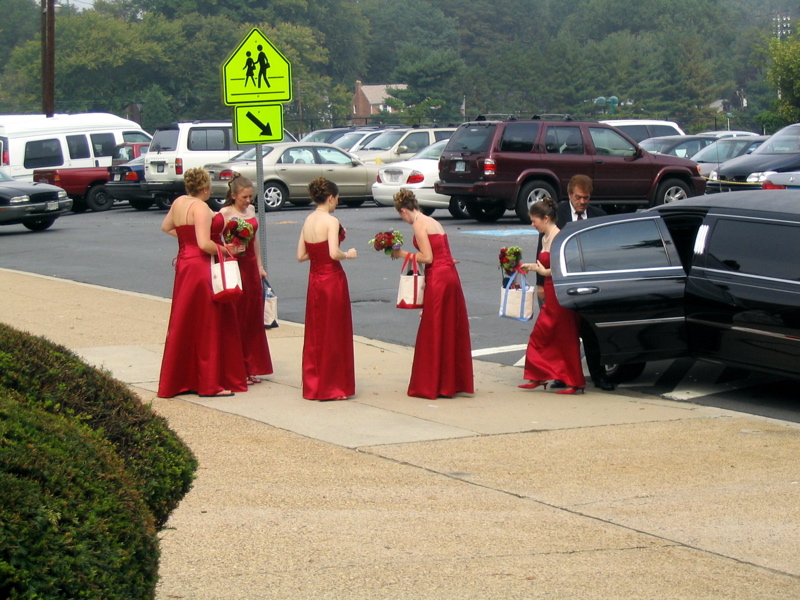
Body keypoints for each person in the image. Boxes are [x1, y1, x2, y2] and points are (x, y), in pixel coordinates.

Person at [158, 168, 248, 398]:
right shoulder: (200, 207)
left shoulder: (179, 202)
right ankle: (209, 383)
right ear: (205, 187)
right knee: (207, 322)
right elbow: (204, 243)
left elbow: (166, 227)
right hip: (200, 266)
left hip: (184, 264)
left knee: (185, 319)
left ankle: (180, 378)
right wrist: (226, 251)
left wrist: (185, 241)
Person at [534, 174, 615, 391]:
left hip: (589, 284)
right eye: (579, 198)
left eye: (586, 198)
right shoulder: (556, 214)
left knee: (591, 332)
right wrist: (540, 283)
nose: (582, 202)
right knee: (564, 332)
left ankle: (599, 376)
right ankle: (562, 375)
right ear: (570, 195)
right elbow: (541, 248)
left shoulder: (598, 216)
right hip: (561, 283)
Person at [391, 189, 474, 399]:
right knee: (449, 327)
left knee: (434, 328)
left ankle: (434, 383)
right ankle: (450, 382)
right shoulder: (433, 221)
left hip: (438, 277)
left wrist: (402, 254)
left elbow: (427, 257)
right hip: (450, 276)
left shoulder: (419, 223)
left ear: (403, 211)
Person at [297, 177, 357, 401]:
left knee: (316, 333)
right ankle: (333, 386)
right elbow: (333, 253)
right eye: (337, 199)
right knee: (334, 332)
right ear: (330, 197)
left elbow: (301, 256)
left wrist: (317, 255)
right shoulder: (331, 221)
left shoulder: (308, 220)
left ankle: (314, 385)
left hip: (315, 279)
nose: (337, 203)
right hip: (332, 279)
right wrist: (347, 254)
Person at [520, 197, 586, 394]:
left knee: (561, 336)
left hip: (558, 292)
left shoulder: (558, 237)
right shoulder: (545, 237)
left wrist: (542, 272)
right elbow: (545, 266)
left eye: (535, 221)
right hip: (550, 292)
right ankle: (541, 374)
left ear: (546, 218)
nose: (533, 224)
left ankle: (573, 380)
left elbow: (560, 269)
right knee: (546, 335)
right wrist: (532, 267)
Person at [216, 173, 273, 385]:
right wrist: (228, 249)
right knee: (237, 315)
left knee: (252, 316)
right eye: (244, 197)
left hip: (250, 266)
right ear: (233, 196)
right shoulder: (224, 213)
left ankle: (251, 366)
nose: (248, 201)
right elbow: (215, 239)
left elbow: (255, 241)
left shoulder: (250, 210)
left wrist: (259, 265)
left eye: (250, 197)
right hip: (234, 265)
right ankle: (236, 366)